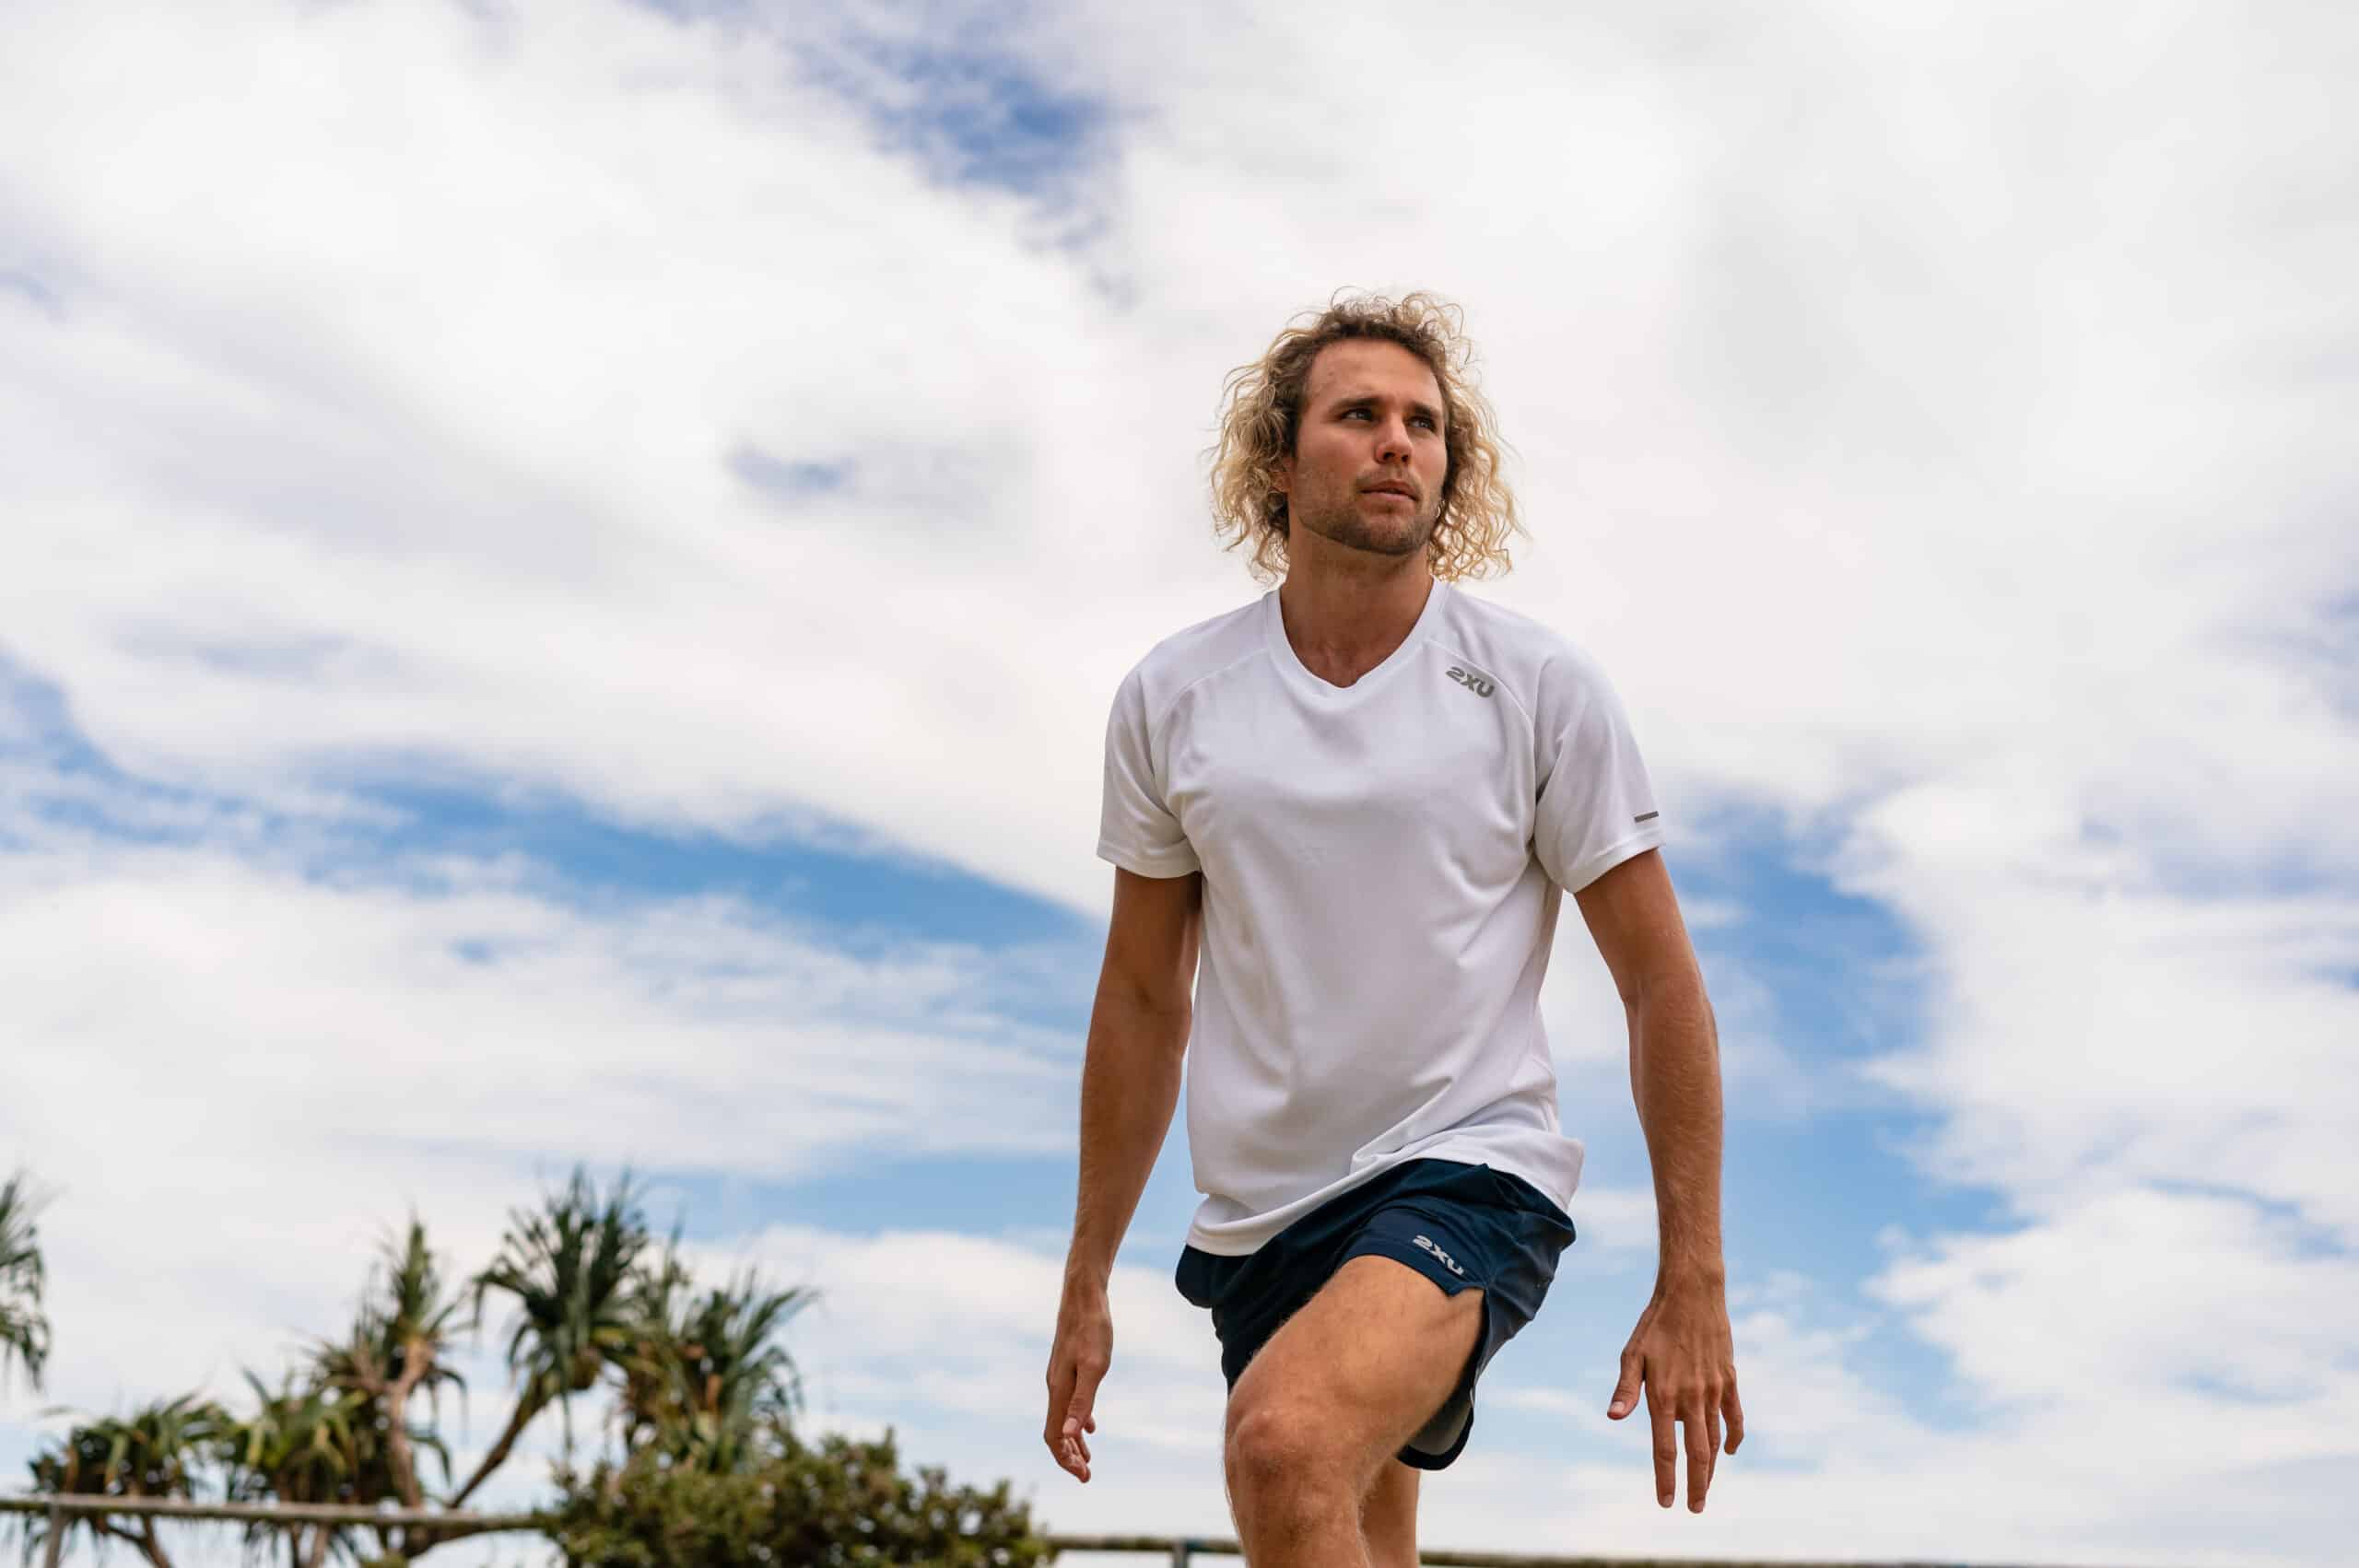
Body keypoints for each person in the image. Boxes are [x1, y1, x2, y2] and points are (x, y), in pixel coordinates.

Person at [1042, 290, 1743, 1568]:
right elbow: (1144, 998)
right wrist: (1088, 1269)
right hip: (1262, 1216)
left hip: (1468, 1169)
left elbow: (1661, 986)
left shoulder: (1537, 688)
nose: (1398, 442)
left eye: (1423, 422)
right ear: (1275, 461)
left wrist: (1692, 1269)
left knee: (1283, 1441)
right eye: (1358, 414)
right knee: (1357, 1522)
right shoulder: (1175, 696)